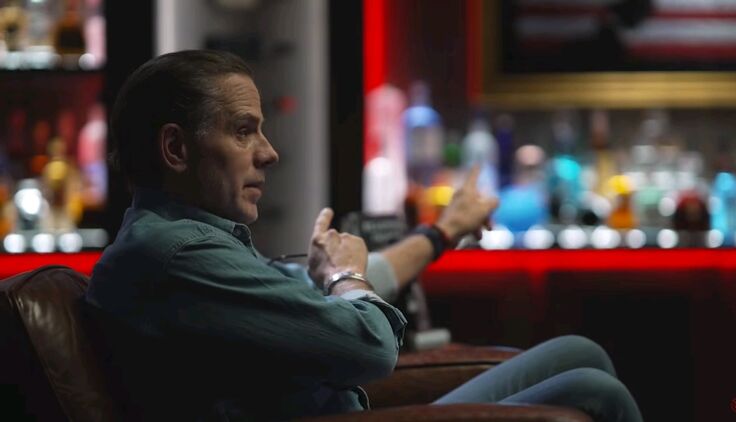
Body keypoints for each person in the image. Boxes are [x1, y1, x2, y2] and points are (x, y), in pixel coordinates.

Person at [86, 50, 642, 422]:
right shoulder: (178, 255)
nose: (269, 153)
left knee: (580, 351)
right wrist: (345, 278)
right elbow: (371, 347)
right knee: (595, 391)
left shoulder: (184, 242)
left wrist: (440, 232)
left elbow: (324, 290)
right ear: (176, 149)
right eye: (243, 131)